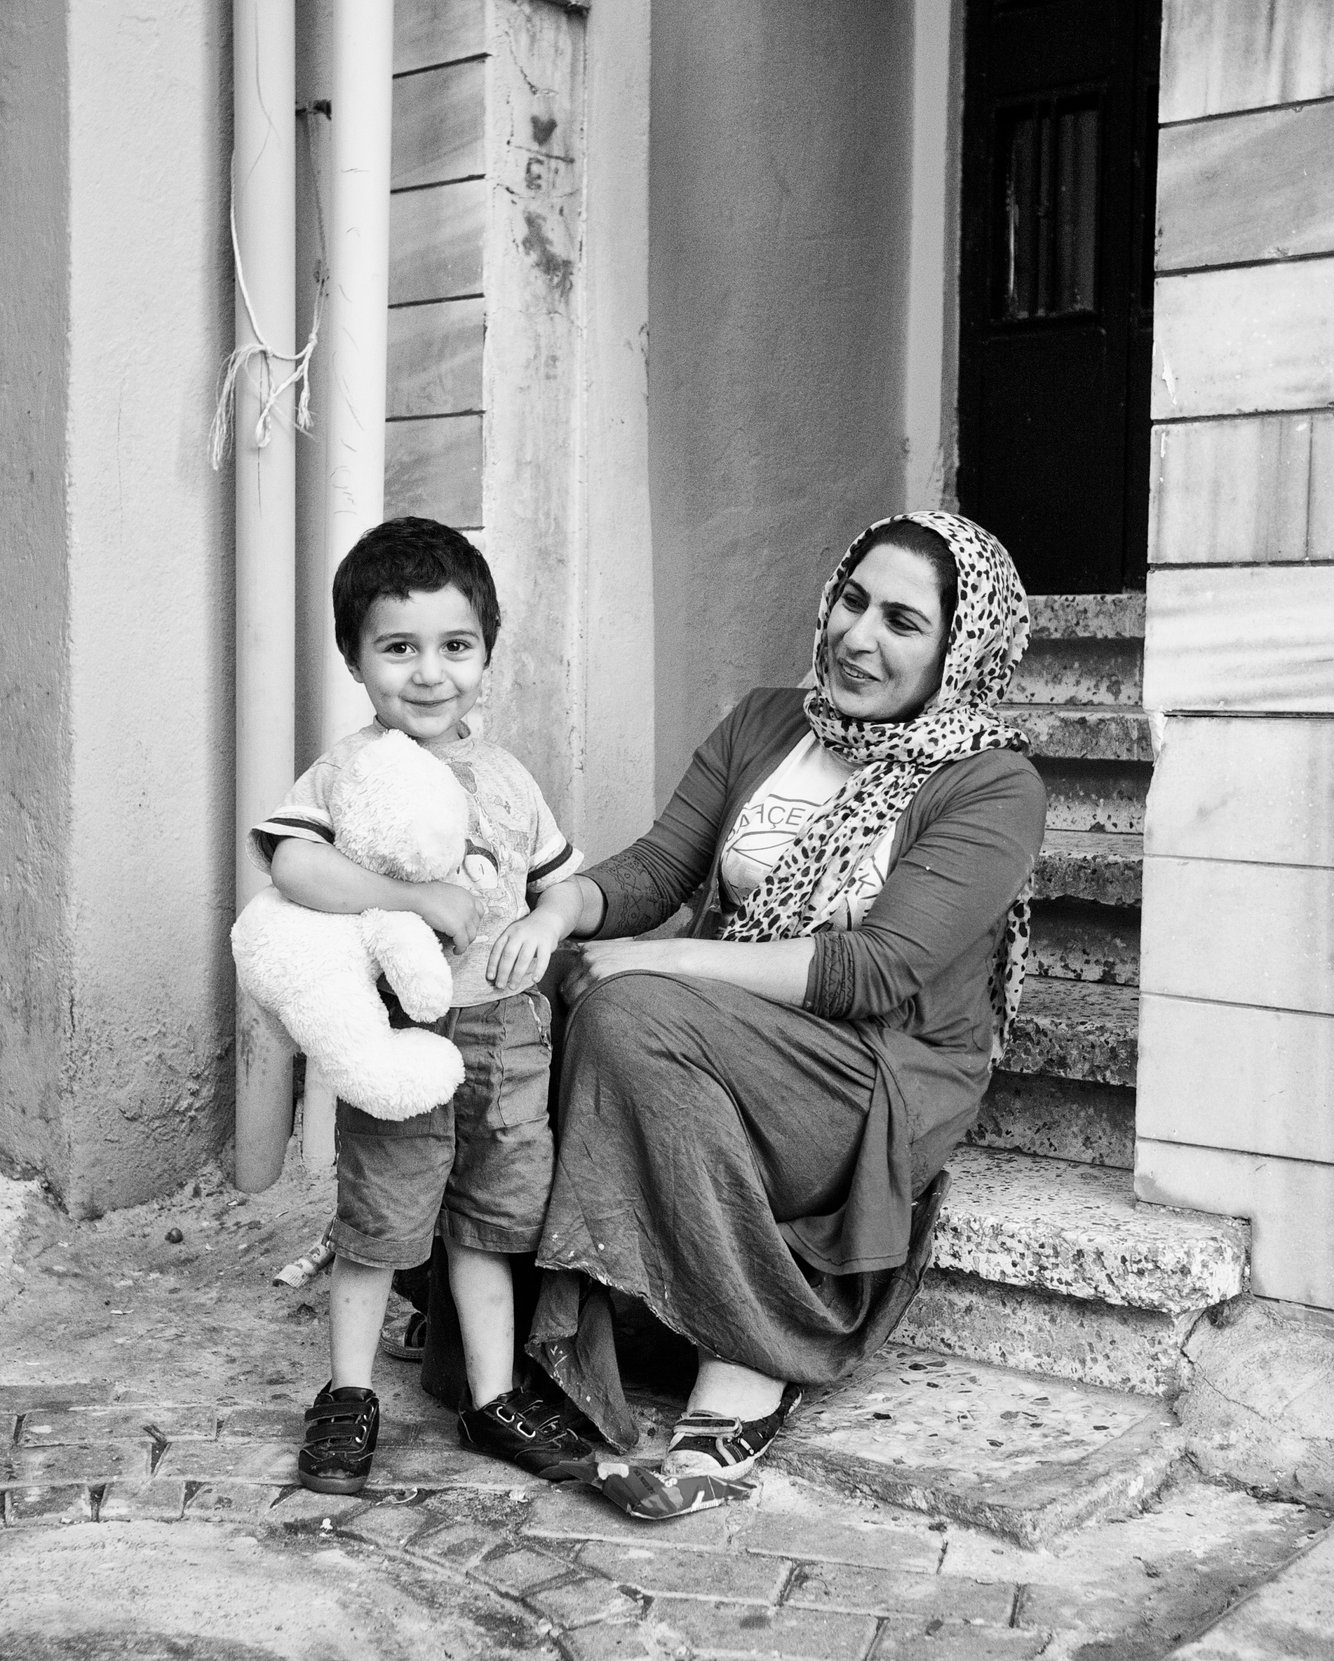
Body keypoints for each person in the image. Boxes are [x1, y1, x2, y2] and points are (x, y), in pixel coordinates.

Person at [531, 510, 1045, 1520]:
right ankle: (487, 1302)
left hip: (874, 1071)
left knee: (630, 1010)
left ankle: (750, 1357)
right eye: (852, 601)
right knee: (523, 984)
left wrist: (668, 953)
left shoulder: (992, 782)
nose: (859, 636)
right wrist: (557, 908)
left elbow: (875, 967)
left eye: (903, 620)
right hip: (731, 1028)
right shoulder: (768, 721)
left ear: (958, 646)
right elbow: (659, 866)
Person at [256, 517, 597, 1494]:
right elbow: (294, 861)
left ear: (487, 650)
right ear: (354, 658)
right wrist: (409, 901)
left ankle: (491, 1398)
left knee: (490, 1218)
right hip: (402, 1036)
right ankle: (348, 1394)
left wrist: (550, 920)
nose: (429, 672)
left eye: (455, 645)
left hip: (505, 1031)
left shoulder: (510, 778)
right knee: (381, 1212)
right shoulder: (350, 771)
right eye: (397, 647)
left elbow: (561, 884)